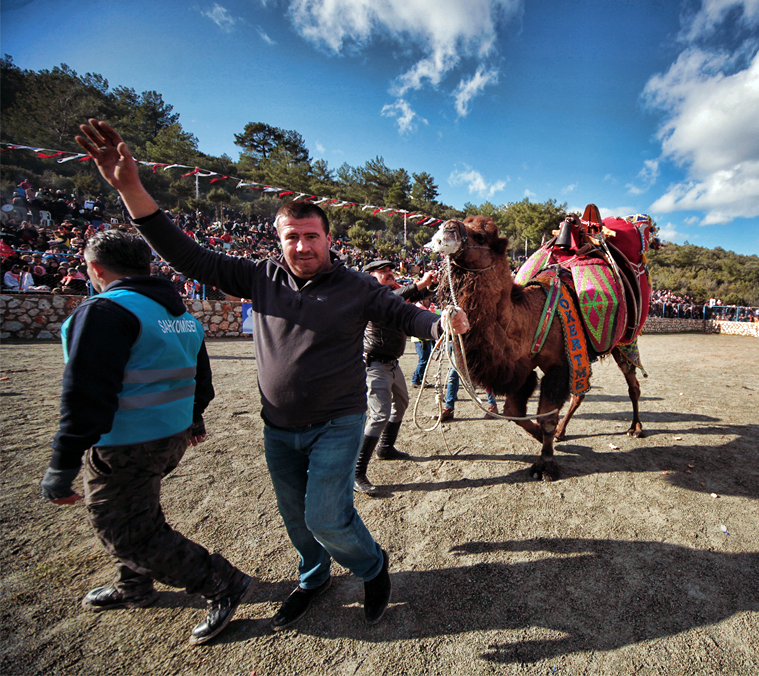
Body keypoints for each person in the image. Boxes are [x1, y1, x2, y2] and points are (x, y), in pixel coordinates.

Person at [74, 119, 469, 633]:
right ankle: (313, 577)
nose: (303, 246)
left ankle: (373, 567)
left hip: (338, 421)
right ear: (277, 240)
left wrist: (439, 322)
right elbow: (185, 253)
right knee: (295, 520)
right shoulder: (257, 276)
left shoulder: (356, 287)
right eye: (292, 238)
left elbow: (404, 314)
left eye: (312, 237)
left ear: (329, 239)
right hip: (278, 426)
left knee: (326, 515)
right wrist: (130, 187)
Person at [38, 230, 254, 646]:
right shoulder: (178, 314)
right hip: (170, 436)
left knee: (125, 531)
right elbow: (201, 379)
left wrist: (62, 462)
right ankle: (132, 587)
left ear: (96, 269)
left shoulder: (105, 311)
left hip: (125, 442)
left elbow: (85, 392)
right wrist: (194, 420)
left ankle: (221, 581)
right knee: (138, 512)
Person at [355, 259, 438, 495]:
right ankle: (356, 471)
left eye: (391, 271)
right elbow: (399, 297)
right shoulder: (371, 296)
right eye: (384, 272)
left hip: (391, 364)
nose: (390, 274)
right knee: (380, 413)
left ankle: (386, 448)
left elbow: (410, 301)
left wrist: (428, 285)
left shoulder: (393, 296)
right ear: (370, 277)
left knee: (400, 405)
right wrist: (420, 284)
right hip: (375, 365)